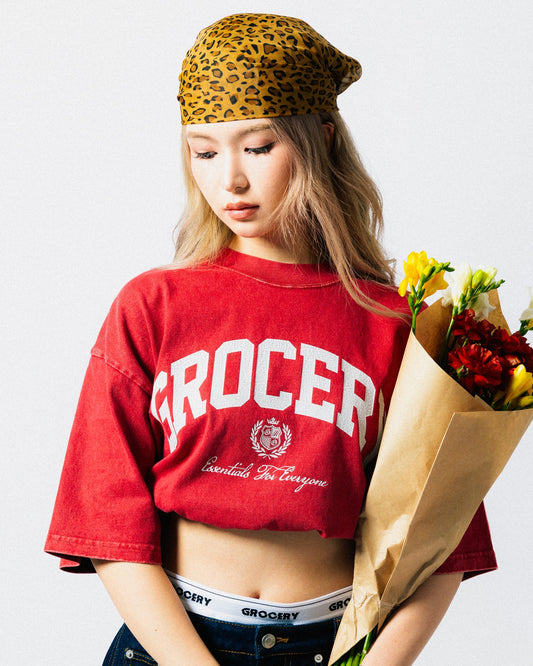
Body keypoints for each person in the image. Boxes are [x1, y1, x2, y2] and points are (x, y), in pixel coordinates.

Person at [45, 13, 497, 665]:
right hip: (173, 646)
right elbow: (106, 518)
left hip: (332, 647)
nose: (229, 179)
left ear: (321, 139)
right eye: (204, 152)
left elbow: (442, 540)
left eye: (257, 147)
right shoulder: (153, 305)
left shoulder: (395, 323)